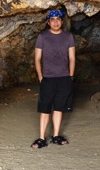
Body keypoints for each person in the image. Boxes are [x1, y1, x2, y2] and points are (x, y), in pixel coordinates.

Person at [31, 9, 76, 149]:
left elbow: (72, 58)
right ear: (48, 22)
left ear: (62, 21)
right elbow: (37, 59)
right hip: (48, 78)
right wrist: (40, 77)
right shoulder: (42, 37)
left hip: (63, 77)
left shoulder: (68, 37)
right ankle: (41, 138)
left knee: (59, 107)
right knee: (45, 109)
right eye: (52, 20)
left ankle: (56, 135)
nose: (55, 22)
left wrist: (71, 76)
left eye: (58, 19)